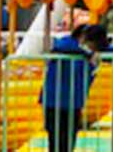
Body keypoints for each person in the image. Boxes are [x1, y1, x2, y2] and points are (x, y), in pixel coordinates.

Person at [40, 24, 102, 152]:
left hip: (73, 103)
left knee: (68, 141)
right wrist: (86, 54)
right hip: (54, 101)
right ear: (84, 37)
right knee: (55, 140)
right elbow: (60, 48)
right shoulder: (65, 44)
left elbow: (87, 79)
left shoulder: (87, 57)